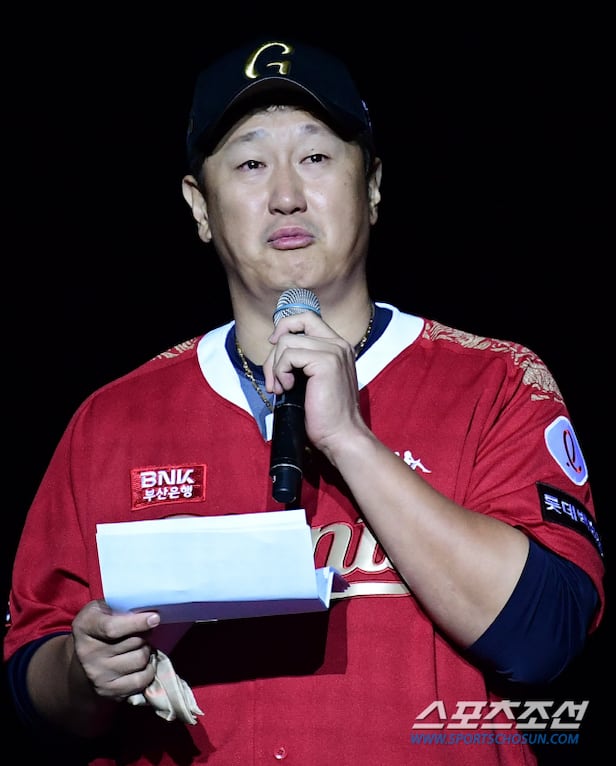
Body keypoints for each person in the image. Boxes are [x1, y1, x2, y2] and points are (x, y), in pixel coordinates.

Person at [3, 35, 605, 766]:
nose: (286, 195)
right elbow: (35, 688)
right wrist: (84, 672)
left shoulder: (497, 382)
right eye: (251, 164)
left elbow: (545, 639)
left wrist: (351, 440)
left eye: (316, 157)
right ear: (199, 205)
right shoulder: (114, 419)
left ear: (372, 186)